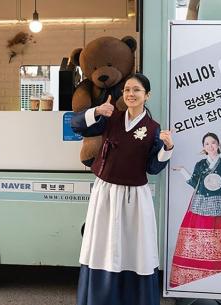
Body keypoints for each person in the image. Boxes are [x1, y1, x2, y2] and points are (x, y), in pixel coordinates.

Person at [71, 73, 174, 305]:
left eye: (136, 90)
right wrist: (96, 111)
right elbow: (76, 124)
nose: (130, 94)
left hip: (135, 198)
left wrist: (168, 147)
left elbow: (153, 167)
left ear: (147, 95)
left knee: (135, 249)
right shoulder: (111, 117)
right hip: (105, 193)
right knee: (102, 246)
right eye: (127, 90)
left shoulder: (153, 128)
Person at [170, 132, 221, 287]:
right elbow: (195, 183)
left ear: (219, 144)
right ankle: (199, 279)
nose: (210, 146)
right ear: (203, 148)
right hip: (202, 203)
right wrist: (182, 170)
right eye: (206, 144)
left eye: (213, 142)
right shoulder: (200, 164)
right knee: (201, 239)